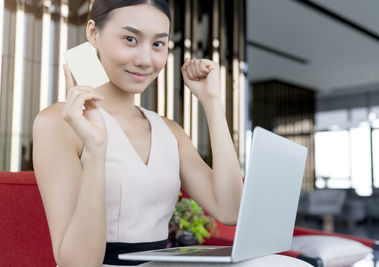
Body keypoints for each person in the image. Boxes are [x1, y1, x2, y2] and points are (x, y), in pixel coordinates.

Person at [32, 0, 243, 266]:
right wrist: (97, 149)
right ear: (93, 33)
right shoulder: (59, 123)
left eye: (158, 44)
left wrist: (212, 103)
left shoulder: (171, 132)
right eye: (130, 39)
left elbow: (231, 210)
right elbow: (77, 263)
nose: (145, 60)